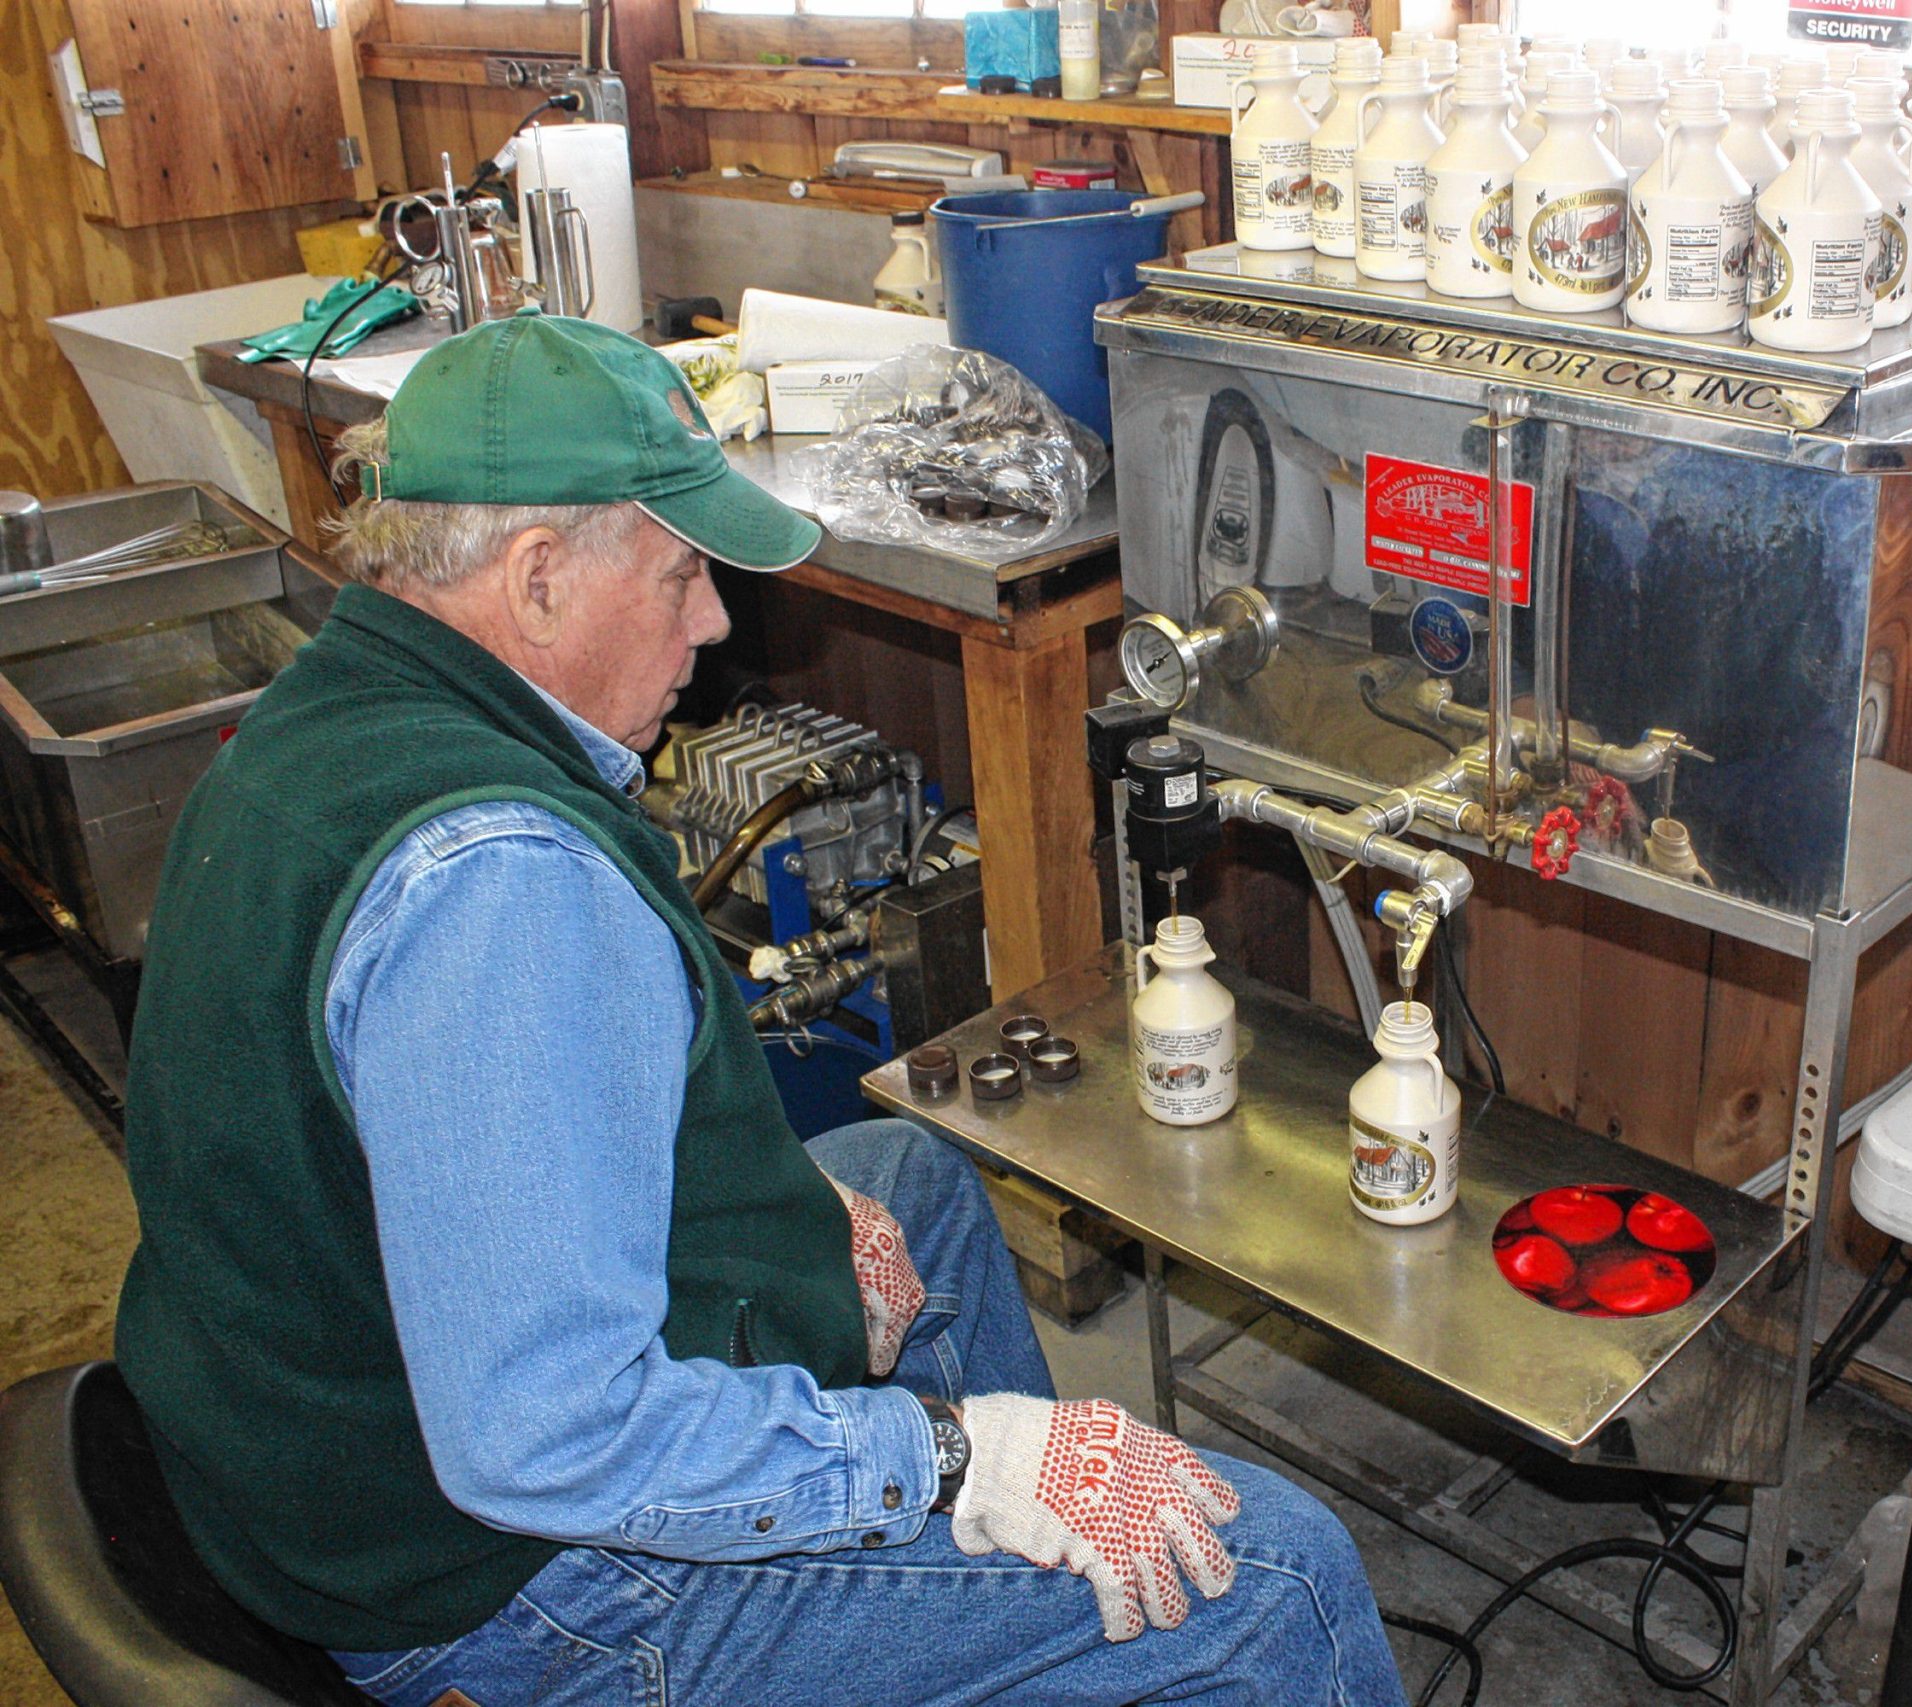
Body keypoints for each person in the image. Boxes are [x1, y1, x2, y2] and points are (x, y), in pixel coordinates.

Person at [114, 314, 1402, 1706]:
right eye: (680, 576)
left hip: (325, 1423)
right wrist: (974, 1459)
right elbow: (546, 1438)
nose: (716, 621)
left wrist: (785, 1214)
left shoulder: (339, 713)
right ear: (537, 578)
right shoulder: (501, 889)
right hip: (500, 1591)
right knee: (1273, 1579)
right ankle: (1054, 1576)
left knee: (908, 1174)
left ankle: (1023, 1637)